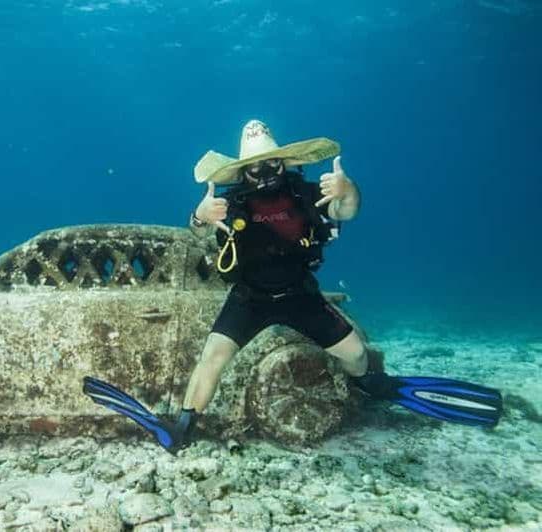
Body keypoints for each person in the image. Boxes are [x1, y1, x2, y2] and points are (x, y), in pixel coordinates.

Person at [84, 120, 502, 454]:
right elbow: (195, 237)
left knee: (356, 354)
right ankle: (183, 426)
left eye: (272, 165)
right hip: (249, 297)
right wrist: (197, 216)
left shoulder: (307, 193)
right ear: (243, 172)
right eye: (255, 168)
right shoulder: (231, 204)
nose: (264, 173)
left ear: (284, 164)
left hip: (300, 294)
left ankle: (368, 385)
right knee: (211, 357)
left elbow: (345, 211)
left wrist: (348, 189)